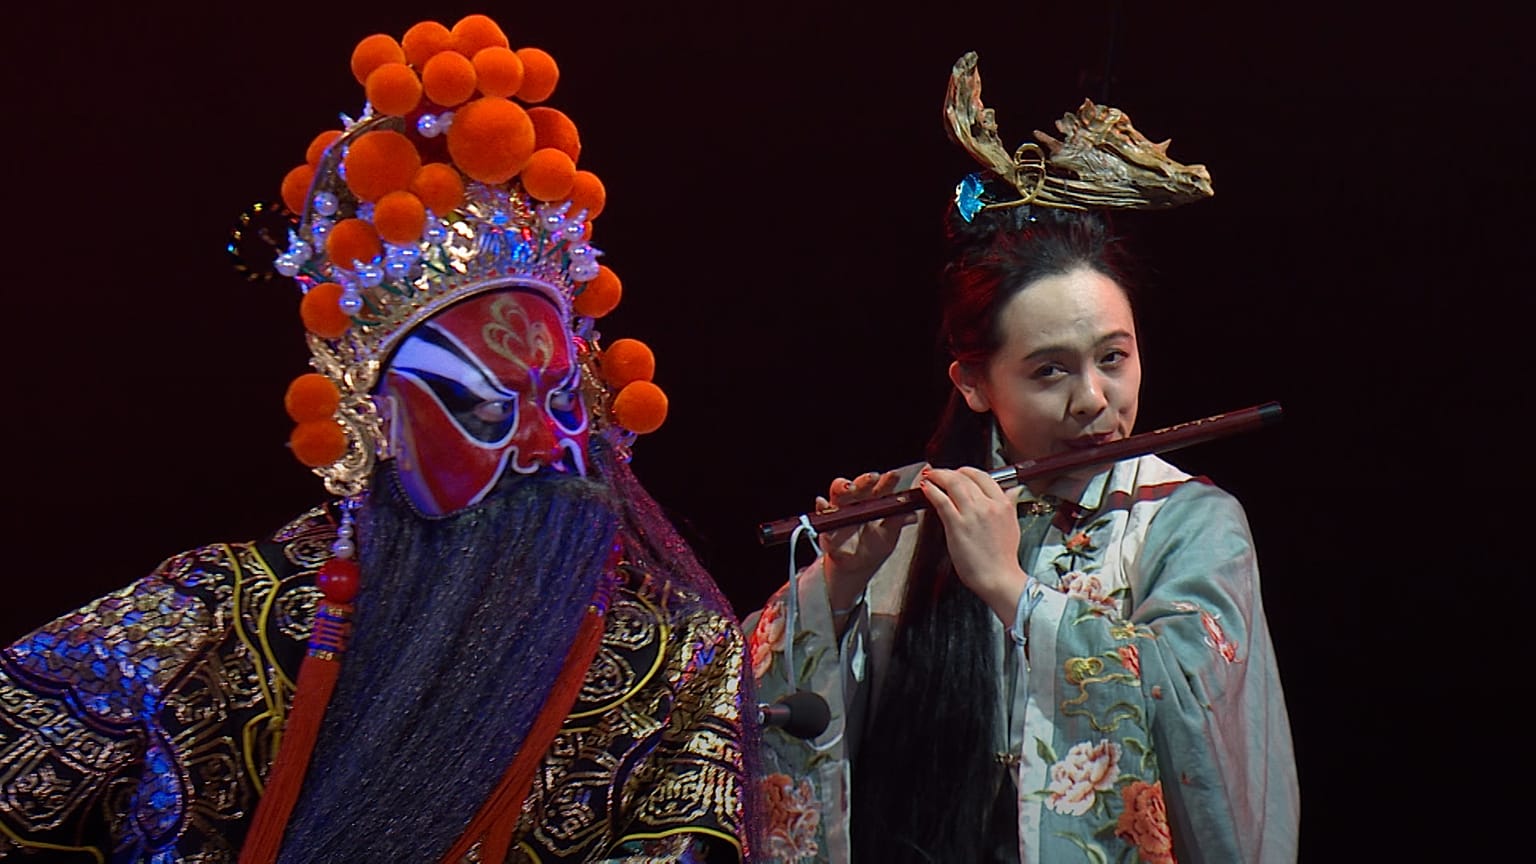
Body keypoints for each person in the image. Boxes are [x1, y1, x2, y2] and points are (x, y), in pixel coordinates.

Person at [0, 13, 752, 863]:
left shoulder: (670, 661)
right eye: (479, 406)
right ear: (372, 423)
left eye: (564, 400)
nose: (549, 443)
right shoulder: (219, 618)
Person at [746, 53, 1298, 863]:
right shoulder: (915, 507)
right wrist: (839, 585)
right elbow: (759, 722)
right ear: (974, 382)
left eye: (1114, 357)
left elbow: (1201, 718)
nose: (1093, 400)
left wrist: (1013, 591)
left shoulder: (1189, 521)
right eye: (1050, 371)